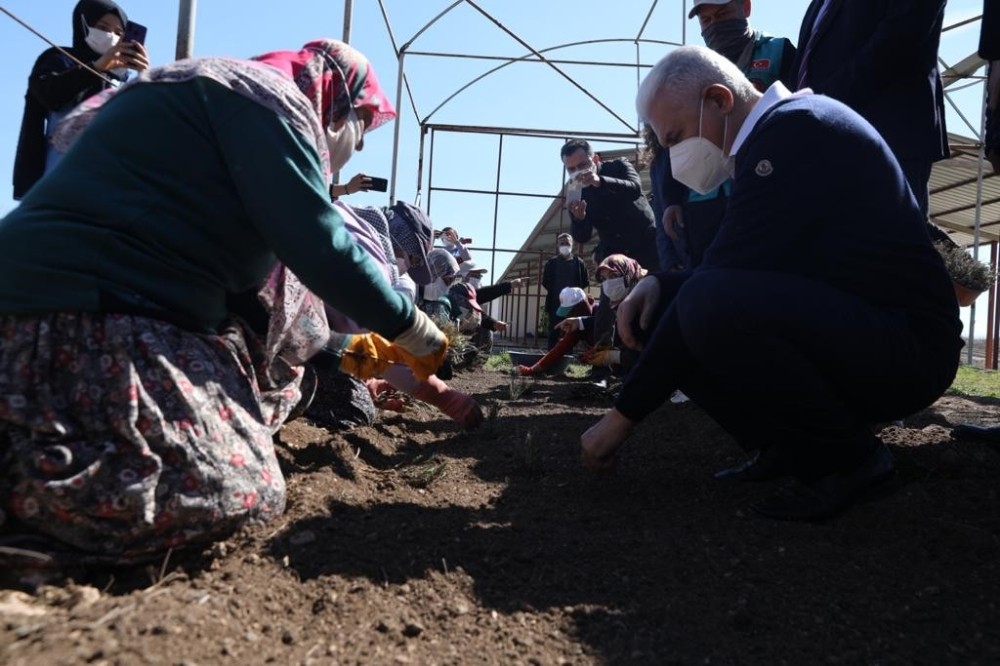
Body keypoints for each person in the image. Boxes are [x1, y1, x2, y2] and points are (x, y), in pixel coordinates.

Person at [0, 39, 448, 562]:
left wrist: (342, 351)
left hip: (61, 310)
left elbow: (257, 307)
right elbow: (319, 244)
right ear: (335, 100)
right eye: (361, 123)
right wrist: (414, 328)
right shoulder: (264, 103)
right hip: (90, 317)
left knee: (279, 391)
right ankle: (31, 499)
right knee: (238, 492)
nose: (360, 144)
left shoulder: (200, 98)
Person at [581, 46, 963, 521]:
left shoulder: (797, 129)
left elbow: (717, 284)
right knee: (668, 303)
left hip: (907, 349)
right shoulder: (778, 136)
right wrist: (658, 281)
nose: (676, 158)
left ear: (719, 100)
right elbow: (726, 269)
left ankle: (849, 461)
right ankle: (784, 444)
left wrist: (621, 418)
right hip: (860, 328)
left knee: (704, 302)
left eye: (676, 137)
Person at [660, 0, 795, 269]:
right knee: (710, 277)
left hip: (766, 188)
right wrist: (671, 199)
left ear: (745, 8)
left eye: (722, 14)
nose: (716, 26)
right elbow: (671, 137)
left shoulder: (779, 50)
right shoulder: (690, 69)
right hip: (704, 199)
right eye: (706, 21)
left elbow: (802, 117)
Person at [791, 0, 948, 219]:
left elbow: (900, 39)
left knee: (890, 246)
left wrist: (821, 103)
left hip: (887, 139)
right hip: (823, 142)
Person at [12, 0, 150, 200]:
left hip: (110, 179)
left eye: (119, 33)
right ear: (84, 24)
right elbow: (50, 95)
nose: (111, 36)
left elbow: (145, 124)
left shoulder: (123, 78)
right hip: (62, 172)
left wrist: (146, 77)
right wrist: (96, 67)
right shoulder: (59, 59)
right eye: (102, 28)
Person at [517, 287, 595, 377]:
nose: (568, 316)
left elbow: (606, 329)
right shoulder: (576, 328)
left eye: (571, 312)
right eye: (568, 313)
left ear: (582, 306)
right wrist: (532, 370)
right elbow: (560, 349)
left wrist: (604, 354)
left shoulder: (600, 312)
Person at [542, 232, 590, 349]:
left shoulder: (579, 263)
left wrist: (573, 297)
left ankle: (567, 358)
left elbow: (585, 282)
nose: (564, 245)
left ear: (572, 245)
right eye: (562, 243)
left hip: (574, 306)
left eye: (567, 243)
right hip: (555, 305)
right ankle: (550, 358)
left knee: (571, 332)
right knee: (554, 331)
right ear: (558, 245)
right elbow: (545, 282)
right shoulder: (551, 263)